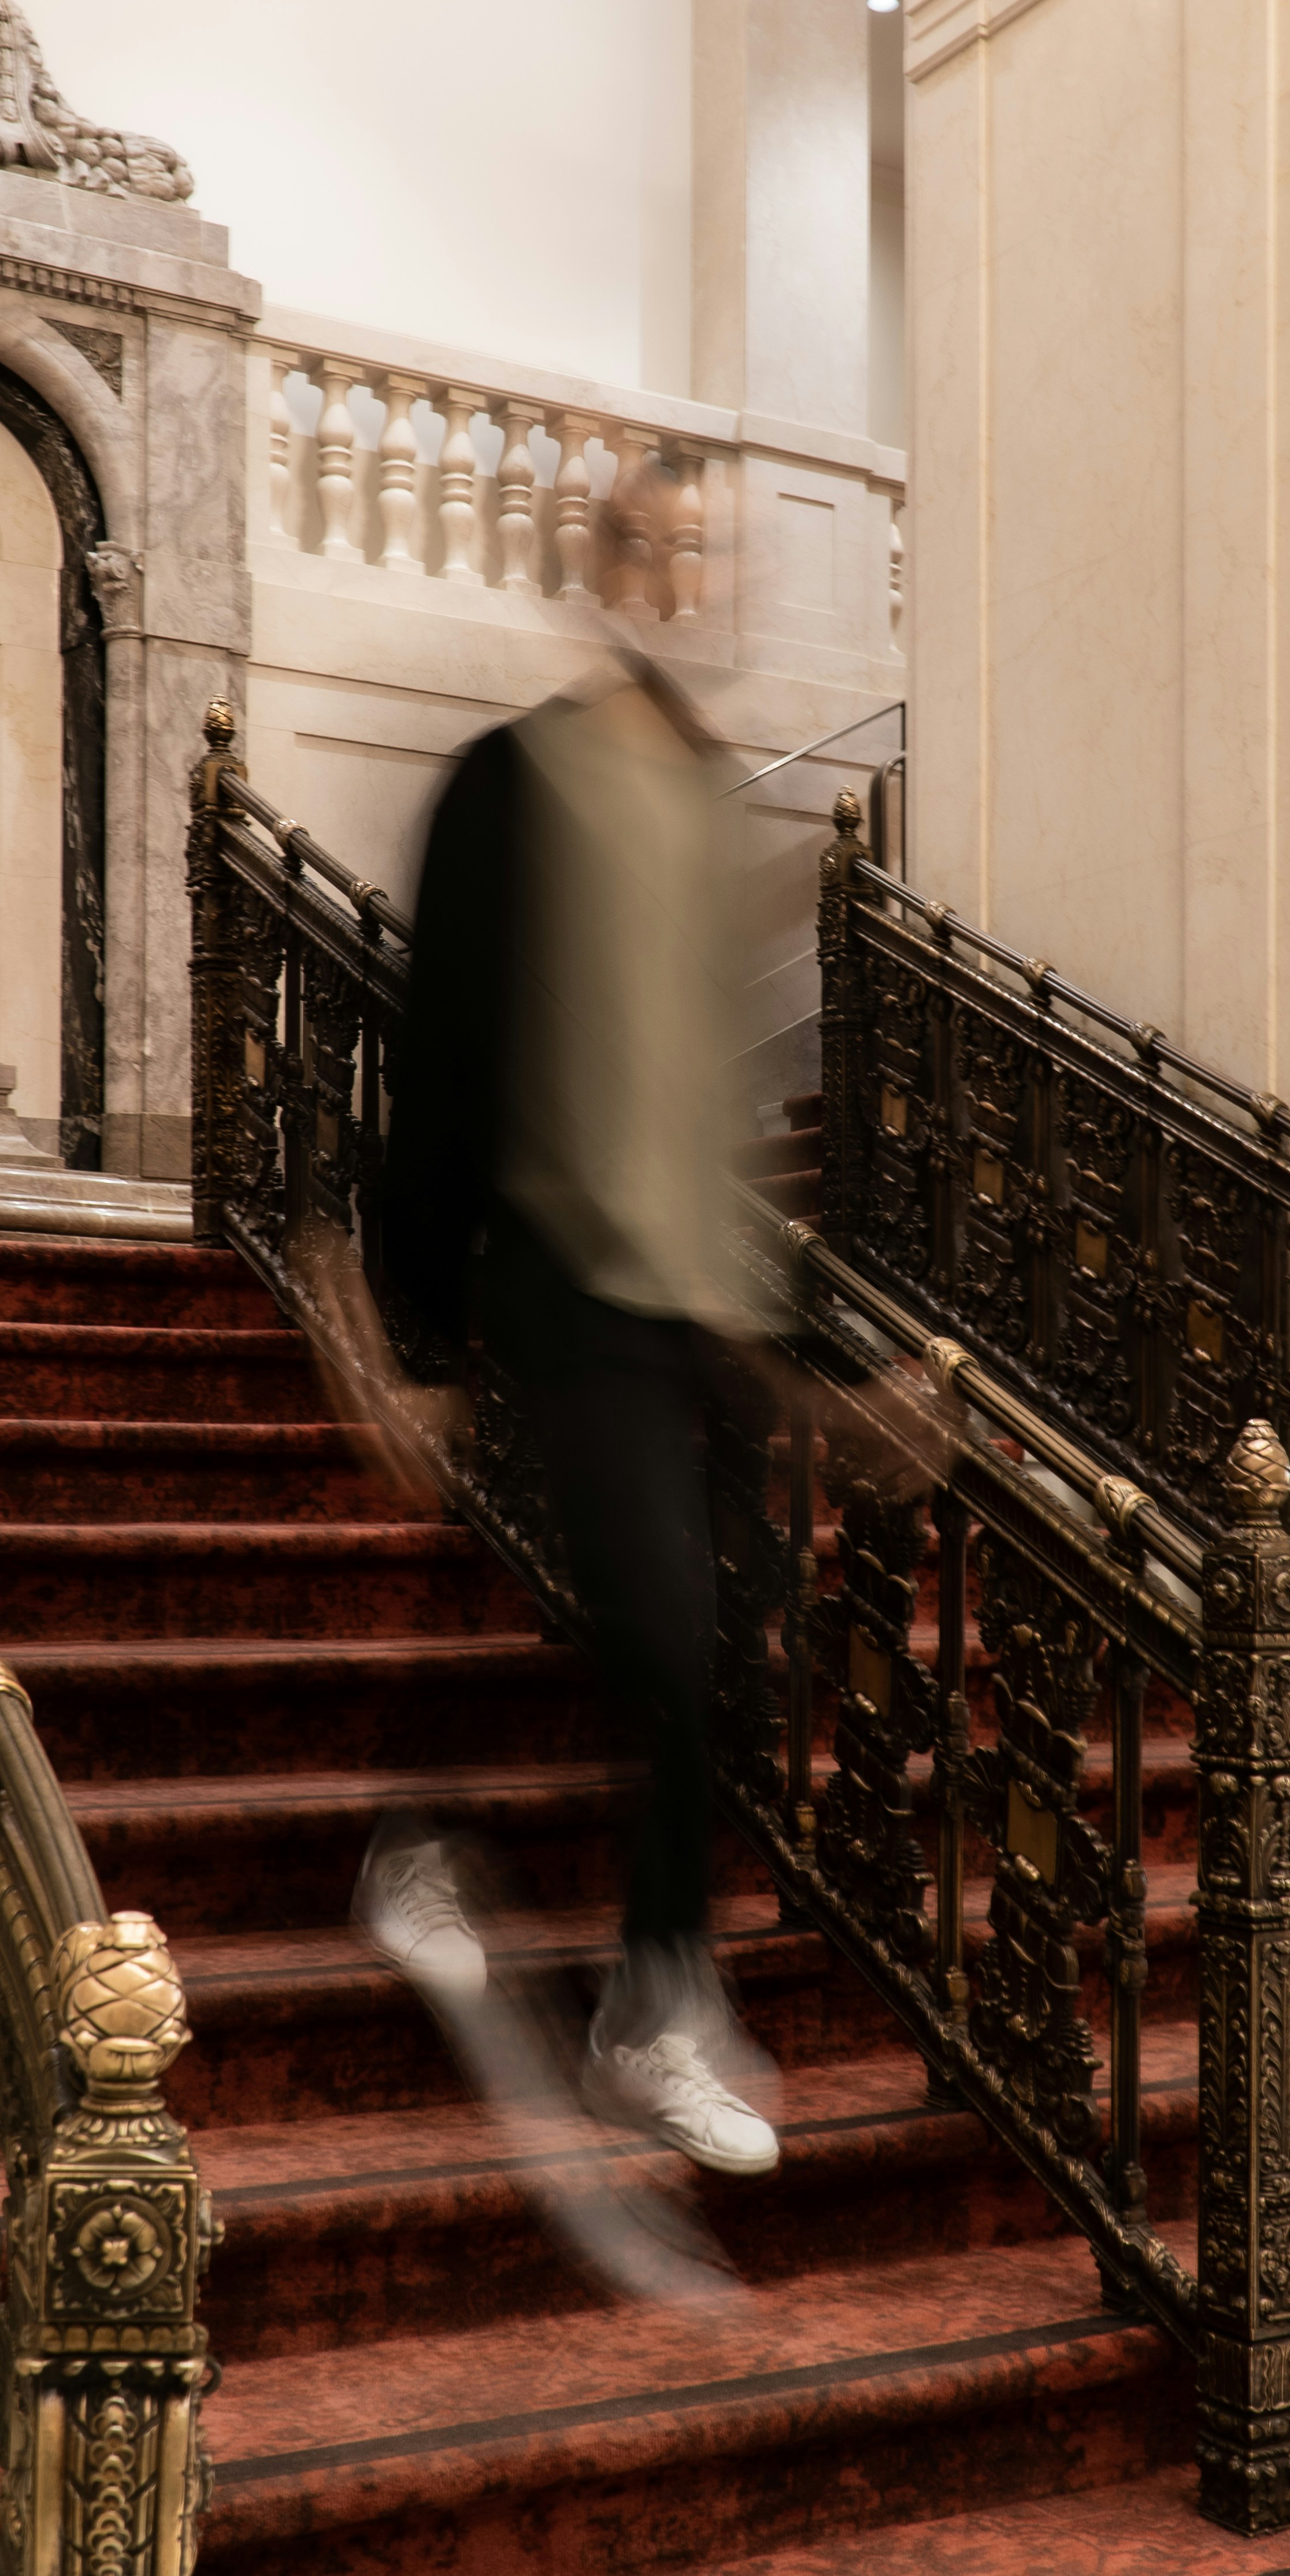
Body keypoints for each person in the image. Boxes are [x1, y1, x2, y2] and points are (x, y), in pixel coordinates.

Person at [368, 470, 780, 2178]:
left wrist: (788, 1331)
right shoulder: (509, 783)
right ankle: (649, 2008)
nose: (688, 578)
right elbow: (445, 1050)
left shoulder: (705, 794)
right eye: (661, 548)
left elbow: (711, 1090)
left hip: (698, 1293)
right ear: (601, 569)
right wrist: (417, 1322)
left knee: (711, 1644)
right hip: (563, 1266)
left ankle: (439, 1854)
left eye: (708, 552)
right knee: (667, 1634)